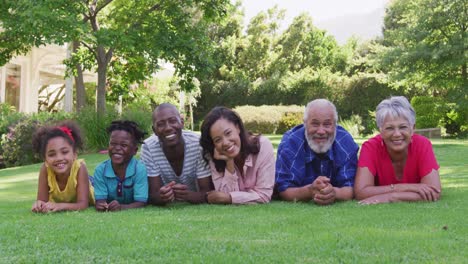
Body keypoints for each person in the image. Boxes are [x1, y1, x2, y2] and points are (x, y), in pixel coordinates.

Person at [354, 96, 441, 204]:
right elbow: (361, 192)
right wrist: (409, 188)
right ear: (380, 131)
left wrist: (391, 197)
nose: (397, 134)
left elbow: (434, 191)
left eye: (403, 127)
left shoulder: (422, 144)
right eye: (389, 128)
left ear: (412, 128)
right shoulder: (370, 147)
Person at [275, 99, 359, 205]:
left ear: (335, 125)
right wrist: (309, 191)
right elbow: (284, 190)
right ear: (305, 124)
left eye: (327, 124)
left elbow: (350, 188)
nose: (321, 131)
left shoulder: (345, 142)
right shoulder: (291, 143)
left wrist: (334, 193)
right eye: (315, 124)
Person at [200, 107, 276, 205]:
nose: (225, 143)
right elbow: (220, 197)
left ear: (237, 128)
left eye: (228, 133)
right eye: (218, 140)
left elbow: (264, 196)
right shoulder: (215, 156)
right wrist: (229, 163)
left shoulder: (262, 146)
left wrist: (230, 198)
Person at [141, 103, 212, 205]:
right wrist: (162, 196)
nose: (168, 128)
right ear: (154, 130)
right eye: (161, 124)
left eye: (173, 121)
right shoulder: (148, 147)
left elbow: (207, 192)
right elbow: (153, 194)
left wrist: (187, 195)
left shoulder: (198, 144)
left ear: (182, 122)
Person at [31, 121, 94, 213]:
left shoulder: (80, 168)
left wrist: (60, 206)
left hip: (92, 183)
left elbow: (83, 204)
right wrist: (39, 205)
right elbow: (43, 201)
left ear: (75, 154)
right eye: (52, 154)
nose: (59, 158)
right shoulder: (45, 169)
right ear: (45, 159)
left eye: (64, 152)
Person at [93, 120, 148, 211]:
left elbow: (141, 202)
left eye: (124, 145)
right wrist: (100, 205)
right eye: (113, 144)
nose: (117, 148)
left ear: (134, 150)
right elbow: (100, 200)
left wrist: (122, 207)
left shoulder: (139, 169)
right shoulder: (100, 170)